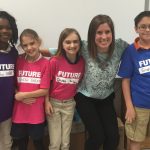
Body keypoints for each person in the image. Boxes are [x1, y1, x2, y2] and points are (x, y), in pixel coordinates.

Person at [41, 14, 128, 150]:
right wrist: (33, 51)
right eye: (99, 32)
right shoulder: (84, 47)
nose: (104, 37)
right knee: (97, 136)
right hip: (85, 98)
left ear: (112, 32)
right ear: (92, 34)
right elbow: (58, 51)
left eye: (107, 32)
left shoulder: (120, 46)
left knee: (113, 137)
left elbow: (137, 50)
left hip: (106, 98)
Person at [45, 28, 85, 150]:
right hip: (54, 104)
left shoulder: (82, 62)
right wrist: (46, 102)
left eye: (75, 41)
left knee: (66, 143)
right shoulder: (54, 61)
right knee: (55, 143)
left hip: (69, 104)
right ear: (62, 44)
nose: (72, 45)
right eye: (67, 42)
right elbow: (46, 83)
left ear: (79, 43)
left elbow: (79, 82)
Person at [10, 29, 50, 150]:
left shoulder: (46, 63)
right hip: (19, 112)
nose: (29, 47)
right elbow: (13, 83)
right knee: (21, 144)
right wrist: (18, 94)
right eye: (25, 45)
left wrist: (23, 96)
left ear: (38, 42)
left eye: (32, 43)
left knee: (38, 143)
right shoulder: (19, 60)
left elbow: (44, 90)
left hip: (36, 114)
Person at [118, 11, 150, 150]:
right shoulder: (131, 51)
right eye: (143, 26)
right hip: (139, 105)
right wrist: (129, 106)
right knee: (135, 139)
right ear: (136, 29)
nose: (147, 30)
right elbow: (125, 80)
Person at [0, 11, 18, 150]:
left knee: (6, 144)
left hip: (7, 112)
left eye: (8, 27)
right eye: (0, 28)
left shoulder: (14, 53)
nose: (5, 31)